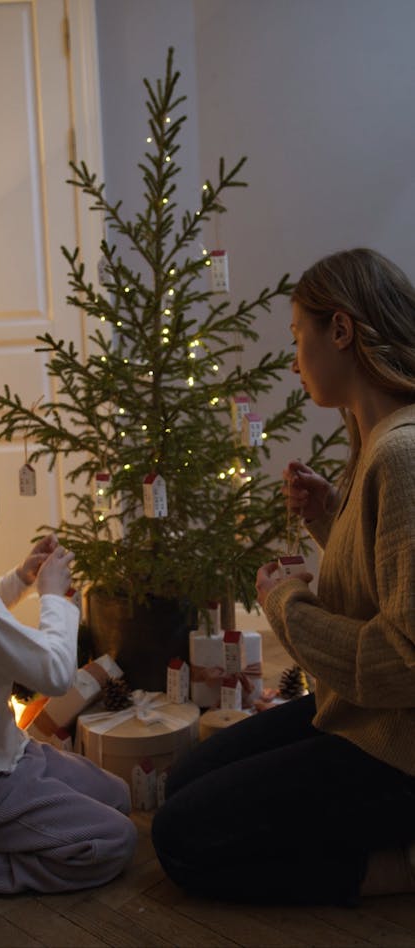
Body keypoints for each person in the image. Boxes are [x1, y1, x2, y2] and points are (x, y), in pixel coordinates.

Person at [152, 247, 415, 905]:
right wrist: (332, 517)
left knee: (181, 838)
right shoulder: (377, 441)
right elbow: (385, 579)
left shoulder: (402, 455)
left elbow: (403, 661)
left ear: (342, 330)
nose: (295, 358)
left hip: (398, 749)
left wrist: (286, 605)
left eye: (299, 335)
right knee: (184, 782)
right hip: (356, 714)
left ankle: (395, 868)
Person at [0, 428, 137, 894]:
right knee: (113, 840)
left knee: (117, 796)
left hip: (0, 755)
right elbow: (56, 675)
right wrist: (55, 598)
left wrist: (20, 578)